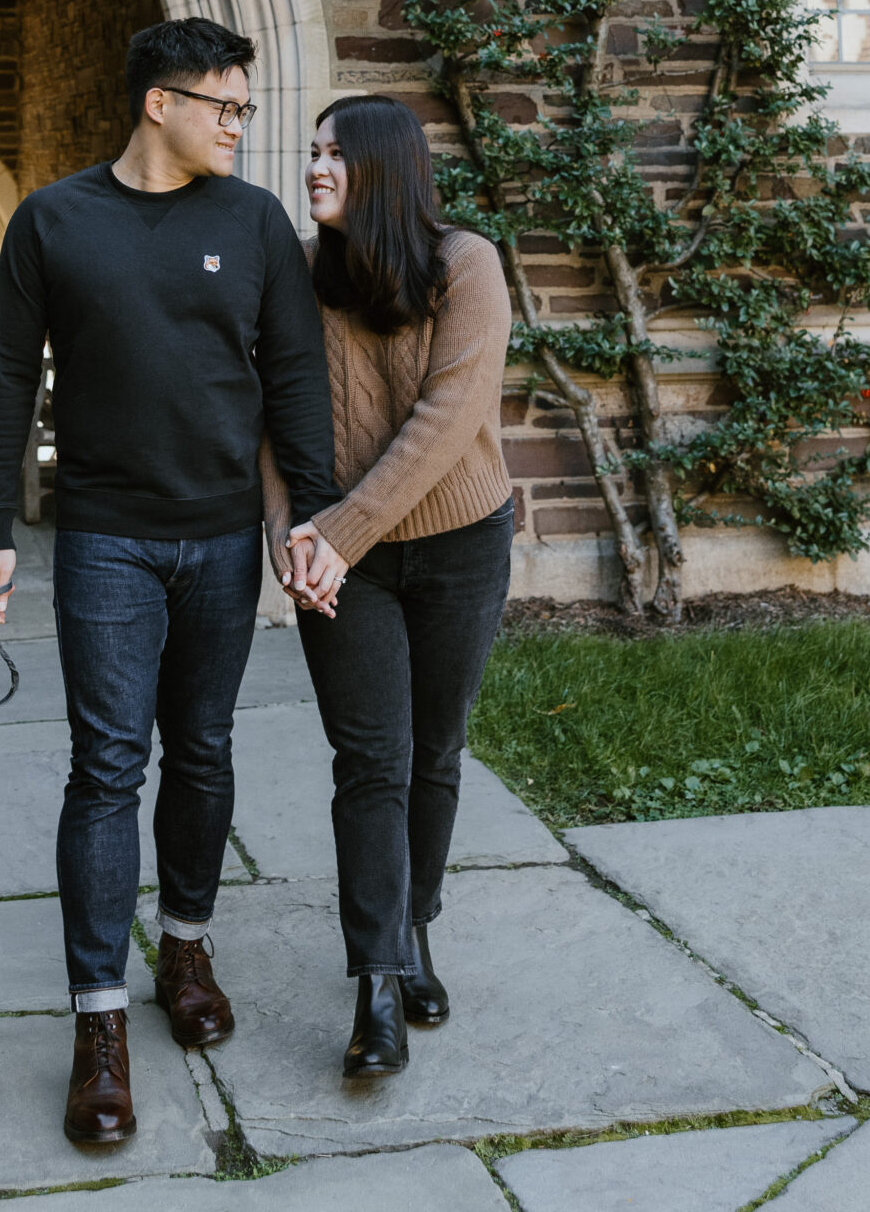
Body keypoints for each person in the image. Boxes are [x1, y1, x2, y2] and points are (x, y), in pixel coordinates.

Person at [0, 18, 338, 1146]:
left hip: (224, 537)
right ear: (157, 104)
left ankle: (184, 941)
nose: (239, 126)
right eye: (223, 105)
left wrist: (308, 521)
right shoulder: (55, 220)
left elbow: (295, 379)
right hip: (107, 541)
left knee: (207, 748)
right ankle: (98, 1025)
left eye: (244, 108)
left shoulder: (255, 222)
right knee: (106, 767)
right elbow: (5, 378)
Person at [263, 93, 514, 1079]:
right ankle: (374, 985)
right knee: (371, 760)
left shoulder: (466, 265)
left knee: (435, 747)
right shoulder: (291, 274)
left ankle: (414, 931)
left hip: (457, 539)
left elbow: (448, 418)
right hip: (339, 557)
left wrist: (340, 533)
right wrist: (293, 537)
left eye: (335, 153)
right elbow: (270, 418)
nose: (315, 166)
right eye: (312, 151)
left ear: (384, 167)